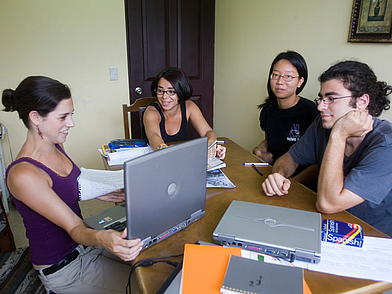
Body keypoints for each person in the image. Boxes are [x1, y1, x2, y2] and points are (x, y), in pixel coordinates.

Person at [3, 76, 143, 294]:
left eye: (71, 115)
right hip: (65, 269)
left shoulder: (56, 144)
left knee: (155, 261)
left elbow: (68, 181)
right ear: (35, 117)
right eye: (63, 117)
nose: (71, 123)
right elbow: (75, 228)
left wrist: (96, 191)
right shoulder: (23, 174)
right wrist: (102, 239)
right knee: (149, 286)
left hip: (85, 247)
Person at [262, 60, 392, 237]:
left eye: (331, 99)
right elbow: (288, 159)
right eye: (322, 98)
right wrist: (279, 175)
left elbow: (328, 204)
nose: (320, 106)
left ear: (362, 101)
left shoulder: (386, 144)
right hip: (325, 224)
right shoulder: (321, 124)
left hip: (370, 236)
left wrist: (339, 134)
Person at [253, 51, 319, 185]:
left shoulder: (311, 111)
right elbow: (270, 141)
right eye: (275, 75)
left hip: (303, 183)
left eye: (288, 76)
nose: (279, 82)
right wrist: (258, 151)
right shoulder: (267, 110)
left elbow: (319, 162)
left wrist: (292, 184)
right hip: (275, 176)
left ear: (300, 81)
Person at [143, 67, 225, 159]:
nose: (164, 96)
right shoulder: (151, 112)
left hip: (183, 158)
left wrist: (209, 146)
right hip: (159, 160)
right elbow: (154, 137)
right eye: (160, 91)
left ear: (181, 92)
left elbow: (208, 132)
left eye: (171, 91)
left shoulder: (189, 107)